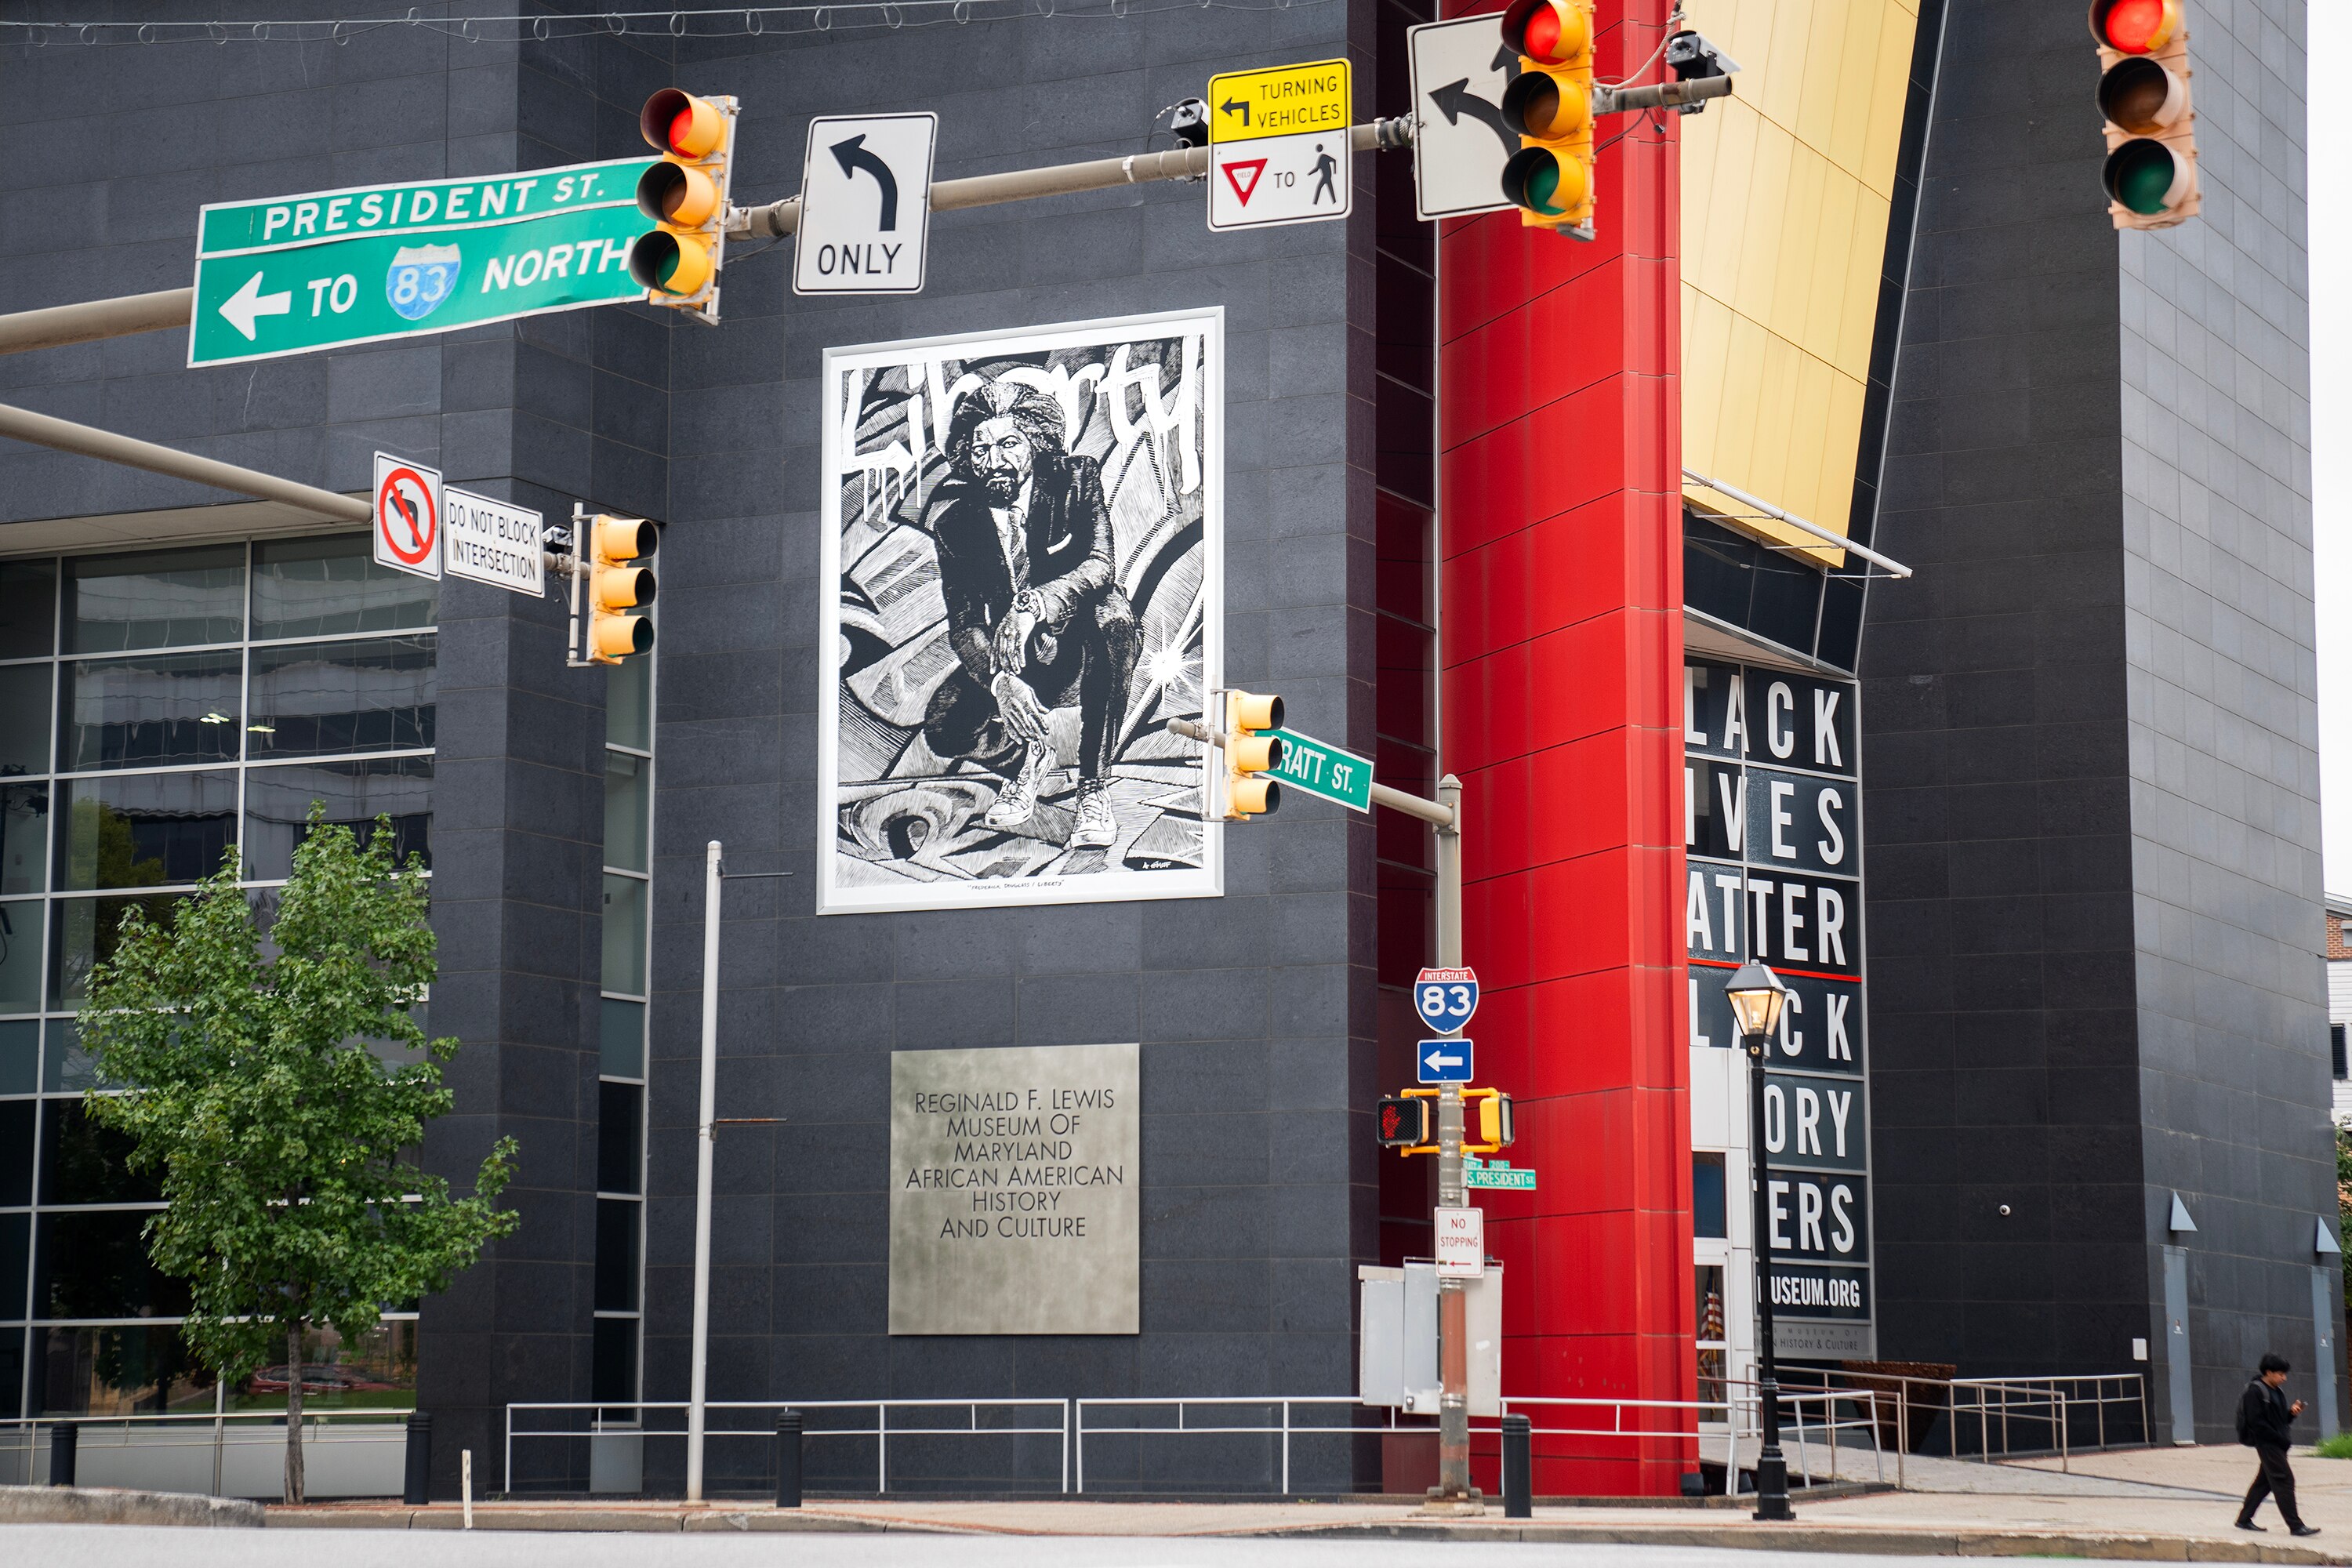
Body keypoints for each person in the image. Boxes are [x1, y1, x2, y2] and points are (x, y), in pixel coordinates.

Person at [921, 378, 1142, 851]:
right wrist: (1001, 681)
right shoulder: (955, 526)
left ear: (1034, 443)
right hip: (1015, 658)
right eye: (980, 450)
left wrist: (1034, 605)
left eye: (1008, 444)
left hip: (1079, 646)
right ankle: (1032, 756)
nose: (994, 461)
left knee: (1116, 620)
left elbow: (1101, 564)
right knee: (944, 726)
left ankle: (1092, 786)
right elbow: (964, 625)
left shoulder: (1076, 478)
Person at [2237, 1352, 2320, 1535]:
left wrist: (2291, 1413)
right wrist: (2278, 1439)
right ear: (2269, 1372)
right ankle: (2296, 1526)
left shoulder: (2277, 1391)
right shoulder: (2255, 1391)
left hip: (2278, 1443)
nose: (2284, 1378)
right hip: (2267, 1443)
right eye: (2281, 1374)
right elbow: (2256, 1423)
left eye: (2285, 1374)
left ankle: (2243, 1520)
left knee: (2264, 1482)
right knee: (2284, 1479)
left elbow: (2280, 1420)